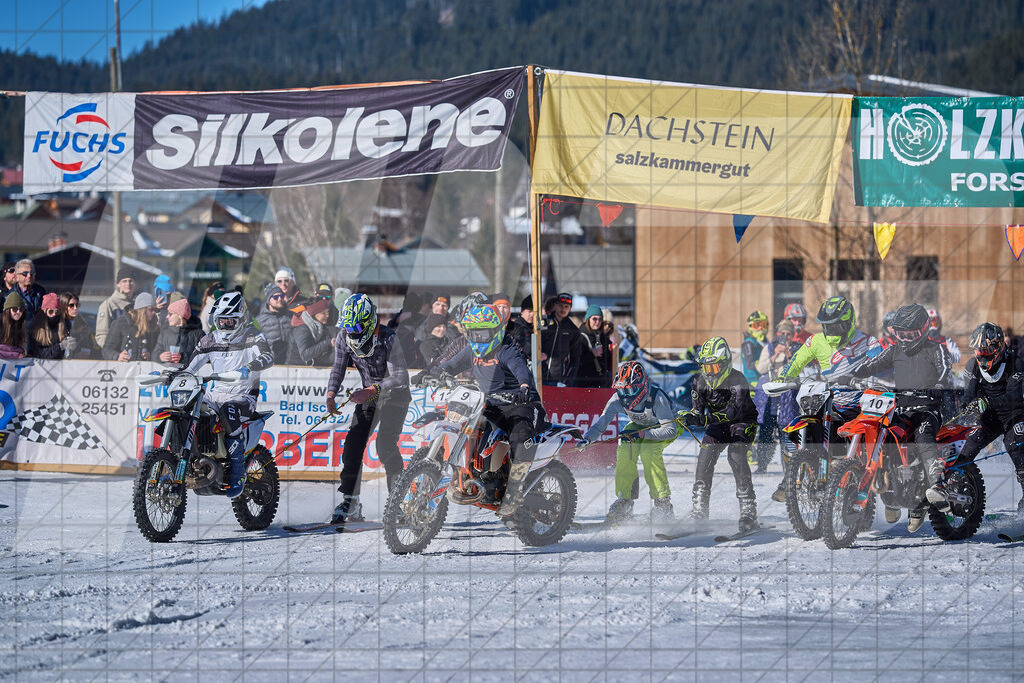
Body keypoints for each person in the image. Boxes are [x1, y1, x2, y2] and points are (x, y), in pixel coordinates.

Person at [847, 303, 951, 532]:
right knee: (884, 436)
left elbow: (945, 369)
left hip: (927, 408)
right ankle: (890, 492)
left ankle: (937, 484)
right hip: (901, 408)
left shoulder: (936, 349)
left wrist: (940, 385)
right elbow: (871, 365)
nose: (905, 339)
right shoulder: (894, 350)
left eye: (910, 335)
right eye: (900, 335)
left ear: (924, 330)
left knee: (923, 435)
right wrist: (853, 375)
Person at [433, 303, 545, 512]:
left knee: (520, 438)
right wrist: (432, 372)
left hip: (518, 403)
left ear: (496, 330)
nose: (477, 338)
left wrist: (523, 387)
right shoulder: (472, 350)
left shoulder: (507, 349)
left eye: (482, 333)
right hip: (489, 403)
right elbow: (452, 364)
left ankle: (515, 490)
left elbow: (521, 370)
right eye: (473, 333)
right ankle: (476, 473)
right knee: (468, 426)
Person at [772, 295, 880, 501]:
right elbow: (794, 364)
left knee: (879, 440)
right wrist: (782, 379)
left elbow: (884, 365)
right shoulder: (815, 341)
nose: (829, 331)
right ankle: (792, 477)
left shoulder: (868, 342)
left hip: (861, 404)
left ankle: (884, 484)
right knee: (802, 428)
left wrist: (881, 380)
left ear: (848, 323)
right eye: (826, 326)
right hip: (831, 403)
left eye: (835, 326)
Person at [325, 294, 410, 525]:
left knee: (385, 446)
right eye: (347, 326)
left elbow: (400, 376)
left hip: (395, 395)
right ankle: (350, 501)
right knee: (353, 444)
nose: (351, 330)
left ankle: (398, 503)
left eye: (356, 326)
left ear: (369, 321)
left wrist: (372, 389)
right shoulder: (344, 337)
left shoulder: (388, 337)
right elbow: (338, 367)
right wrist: (331, 393)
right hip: (369, 395)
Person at [183, 292, 275, 498]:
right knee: (187, 410)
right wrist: (175, 374)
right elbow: (190, 367)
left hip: (243, 396)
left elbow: (269, 357)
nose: (224, 325)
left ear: (241, 319)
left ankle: (237, 473)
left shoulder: (253, 335)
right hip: (213, 395)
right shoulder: (209, 339)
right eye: (221, 321)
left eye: (230, 321)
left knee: (229, 412)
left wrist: (249, 367)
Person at [578, 361, 679, 523]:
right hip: (641, 426)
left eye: (629, 390)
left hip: (666, 426)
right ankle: (624, 501)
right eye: (621, 390)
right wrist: (587, 438)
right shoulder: (617, 399)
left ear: (642, 386)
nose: (624, 396)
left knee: (649, 452)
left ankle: (663, 504)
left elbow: (670, 430)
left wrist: (644, 434)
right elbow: (601, 424)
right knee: (625, 448)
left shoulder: (657, 398)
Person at [678, 336, 760, 533]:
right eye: (705, 367)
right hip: (718, 424)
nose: (709, 372)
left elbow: (733, 412)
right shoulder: (698, 381)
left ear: (725, 364)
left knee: (736, 455)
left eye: (713, 367)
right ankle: (699, 509)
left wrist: (705, 420)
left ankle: (748, 511)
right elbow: (697, 410)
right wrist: (689, 417)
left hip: (743, 422)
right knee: (705, 454)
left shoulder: (738, 379)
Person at [946, 323, 1024, 517]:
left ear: (998, 348)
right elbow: (969, 395)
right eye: (979, 351)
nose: (982, 355)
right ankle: (956, 494)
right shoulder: (973, 365)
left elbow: (1014, 398)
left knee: (1015, 447)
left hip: (1013, 416)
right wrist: (968, 406)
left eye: (987, 351)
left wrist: (986, 402)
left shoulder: (1016, 362)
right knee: (964, 451)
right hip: (988, 419)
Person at [752, 320, 799, 478]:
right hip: (769, 397)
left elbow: (802, 370)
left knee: (787, 432)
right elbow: (760, 368)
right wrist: (775, 355)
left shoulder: (797, 349)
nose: (785, 337)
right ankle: (762, 465)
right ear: (778, 334)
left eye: (788, 334)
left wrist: (789, 356)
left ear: (793, 336)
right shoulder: (769, 347)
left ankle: (789, 468)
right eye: (783, 334)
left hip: (787, 396)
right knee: (765, 432)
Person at [102, 292, 159, 362]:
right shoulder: (120, 324)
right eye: (151, 309)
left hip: (145, 369)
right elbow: (106, 350)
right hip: (124, 369)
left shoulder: (154, 327)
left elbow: (157, 350)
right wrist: (117, 356)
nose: (154, 313)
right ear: (142, 310)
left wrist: (151, 355)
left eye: (155, 310)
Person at [541, 292, 583, 386]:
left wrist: (568, 381)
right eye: (560, 306)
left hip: (558, 380)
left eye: (566, 306)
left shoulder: (573, 330)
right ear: (555, 306)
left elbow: (575, 359)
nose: (563, 309)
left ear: (570, 308)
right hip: (539, 376)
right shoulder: (543, 322)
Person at [154, 298, 203, 368]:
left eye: (170, 314)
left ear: (180, 316)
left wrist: (183, 357)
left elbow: (206, 357)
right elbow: (154, 354)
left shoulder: (198, 334)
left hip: (191, 376)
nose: (167, 316)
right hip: (167, 375)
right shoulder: (164, 333)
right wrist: (160, 357)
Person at [287, 297, 334, 367]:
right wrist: (328, 342)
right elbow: (305, 355)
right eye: (323, 313)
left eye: (328, 312)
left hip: (308, 368)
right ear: (314, 314)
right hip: (294, 369)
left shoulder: (319, 327)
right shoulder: (302, 329)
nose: (327, 315)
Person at [95, 268, 137, 347]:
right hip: (116, 356)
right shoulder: (109, 304)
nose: (128, 284)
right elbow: (102, 335)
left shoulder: (139, 304)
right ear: (118, 284)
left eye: (131, 281)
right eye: (124, 281)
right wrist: (112, 353)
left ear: (135, 283)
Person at [577, 304, 614, 388]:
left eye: (600, 319)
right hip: (585, 384)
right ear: (588, 319)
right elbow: (576, 361)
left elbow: (607, 361)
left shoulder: (601, 336)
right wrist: (592, 354)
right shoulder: (581, 336)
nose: (597, 322)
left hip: (601, 383)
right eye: (594, 319)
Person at [5, 259, 46, 330]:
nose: (29, 276)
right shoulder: (8, 297)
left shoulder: (41, 292)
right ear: (16, 277)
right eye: (25, 273)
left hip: (40, 333)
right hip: (20, 335)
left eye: (32, 273)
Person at [255, 284, 291, 362]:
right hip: (271, 364)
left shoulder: (291, 316)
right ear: (268, 301)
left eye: (281, 296)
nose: (279, 299)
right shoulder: (259, 320)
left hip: (291, 364)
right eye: (275, 297)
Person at [59, 292, 96, 359]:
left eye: (77, 305)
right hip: (57, 363)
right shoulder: (55, 323)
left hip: (77, 363)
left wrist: (86, 351)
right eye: (71, 305)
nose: (75, 308)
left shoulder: (83, 325)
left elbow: (89, 345)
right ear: (64, 306)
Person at [27, 293, 63, 359]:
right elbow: (39, 353)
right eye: (51, 311)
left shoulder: (63, 325)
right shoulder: (36, 329)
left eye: (57, 312)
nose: (54, 314)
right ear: (44, 312)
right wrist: (60, 347)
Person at [740, 310, 769, 388]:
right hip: (752, 382)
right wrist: (766, 364)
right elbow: (749, 364)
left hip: (765, 379)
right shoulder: (749, 343)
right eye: (756, 326)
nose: (760, 329)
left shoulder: (765, 342)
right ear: (750, 327)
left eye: (763, 325)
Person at [0, 291, 27, 359]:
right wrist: (15, 354)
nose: (18, 312)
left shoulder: (22, 323)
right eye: (15, 309)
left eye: (21, 309)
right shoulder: (1, 322)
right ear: (8, 310)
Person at [508, 295, 535, 361]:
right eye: (529, 311)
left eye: (534, 312)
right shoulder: (516, 327)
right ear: (522, 311)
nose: (532, 314)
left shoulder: (534, 328)